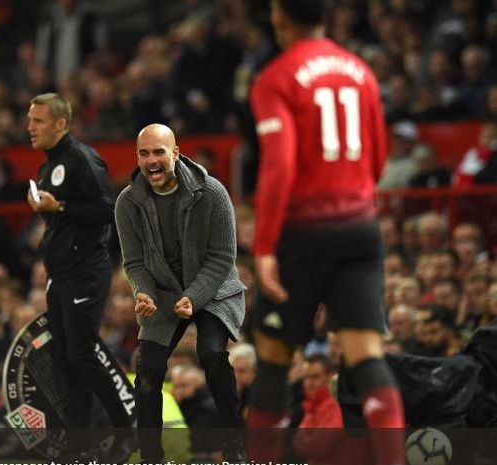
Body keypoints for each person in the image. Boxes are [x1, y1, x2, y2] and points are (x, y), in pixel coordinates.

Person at [248, 2, 405, 465]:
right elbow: (378, 158)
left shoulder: (275, 78)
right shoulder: (361, 71)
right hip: (360, 226)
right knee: (366, 355)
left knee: (274, 356)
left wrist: (264, 247)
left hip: (303, 230)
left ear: (279, 17)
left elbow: (280, 166)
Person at [114, 123, 247, 462]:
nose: (151, 160)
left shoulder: (212, 192)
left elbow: (223, 258)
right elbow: (134, 262)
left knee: (212, 354)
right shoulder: (127, 202)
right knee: (147, 369)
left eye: (159, 152)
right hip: (161, 292)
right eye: (144, 154)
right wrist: (143, 293)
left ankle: (235, 447)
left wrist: (194, 297)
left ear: (176, 153)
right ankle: (151, 456)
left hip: (213, 288)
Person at [25, 93, 134, 460]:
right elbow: (66, 221)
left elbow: (107, 209)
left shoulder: (81, 158)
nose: (30, 127)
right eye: (29, 120)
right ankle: (79, 443)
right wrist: (47, 211)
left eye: (38, 121)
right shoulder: (47, 166)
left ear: (60, 123)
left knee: (81, 353)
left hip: (86, 270)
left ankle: (125, 425)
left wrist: (62, 206)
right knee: (66, 359)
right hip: (60, 273)